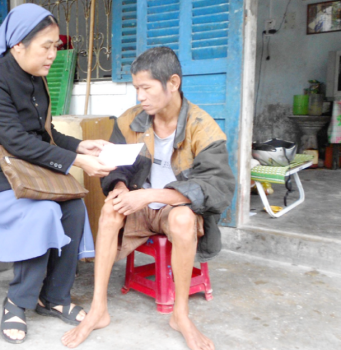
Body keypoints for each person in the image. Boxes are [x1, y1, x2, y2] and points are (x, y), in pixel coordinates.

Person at [0, 4, 115, 344]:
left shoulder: (36, 81)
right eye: (46, 46)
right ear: (18, 45)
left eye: (57, 45)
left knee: (73, 208)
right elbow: (16, 141)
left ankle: (53, 297)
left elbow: (45, 133)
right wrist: (76, 164)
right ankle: (17, 301)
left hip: (23, 174)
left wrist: (81, 147)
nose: (53, 54)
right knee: (41, 213)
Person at [62, 47, 236, 350]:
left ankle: (180, 315)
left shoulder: (203, 127)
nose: (140, 96)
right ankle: (99, 308)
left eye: (146, 88)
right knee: (109, 210)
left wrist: (150, 195)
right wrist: (119, 189)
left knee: (182, 218)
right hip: (140, 209)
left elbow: (218, 188)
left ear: (173, 83)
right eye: (136, 89)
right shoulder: (131, 121)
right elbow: (114, 168)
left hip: (172, 208)